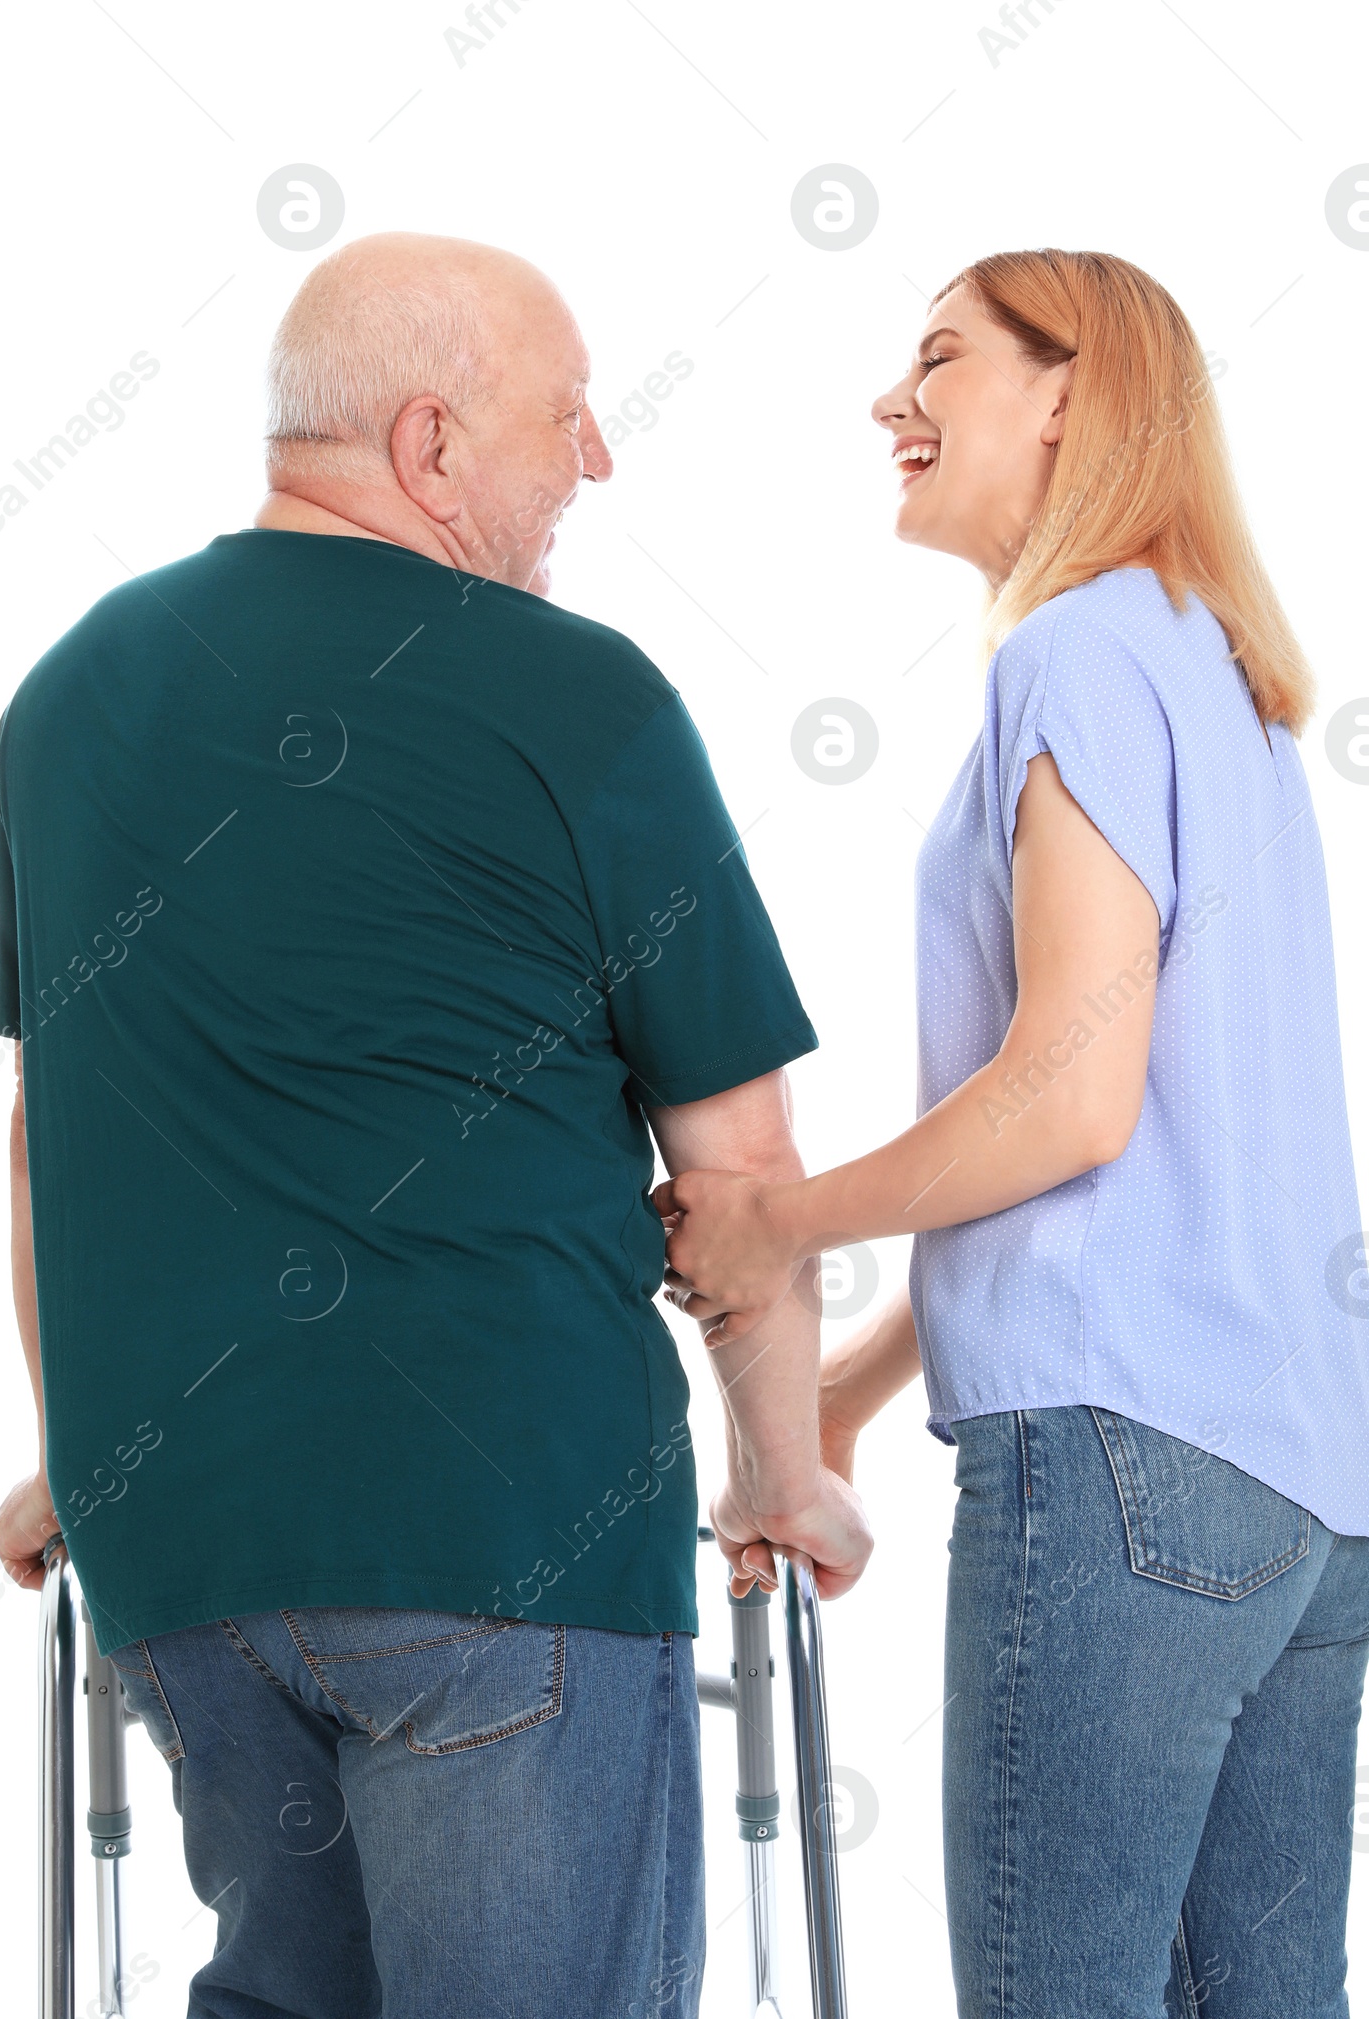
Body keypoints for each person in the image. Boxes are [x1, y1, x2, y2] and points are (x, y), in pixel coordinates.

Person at [0, 232, 870, 2019]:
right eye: (569, 416)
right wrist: (787, 1473)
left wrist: (74, 1452)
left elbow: (49, 1137)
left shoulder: (64, 697)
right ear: (432, 445)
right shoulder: (584, 700)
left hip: (189, 1555)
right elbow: (742, 1174)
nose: (598, 459)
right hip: (507, 1531)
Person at [660, 249, 1369, 2017]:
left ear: (1071, 396)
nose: (891, 403)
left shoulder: (1078, 649)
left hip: (1127, 1485)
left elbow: (1069, 1090)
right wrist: (857, 1380)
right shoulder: (1219, 675)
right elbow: (1156, 1167)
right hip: (1306, 1503)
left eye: (939, 359)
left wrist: (784, 1225)